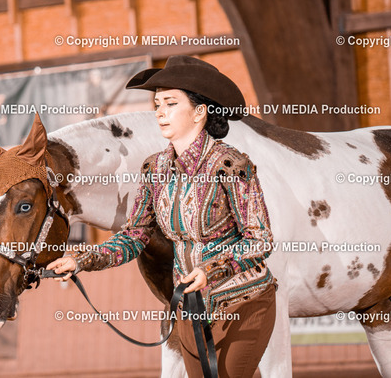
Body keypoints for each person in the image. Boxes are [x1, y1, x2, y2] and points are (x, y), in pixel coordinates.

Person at [47, 55, 277, 378]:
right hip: (190, 308)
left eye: (170, 103)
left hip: (245, 301)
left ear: (199, 112)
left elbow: (260, 240)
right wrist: (82, 260)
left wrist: (211, 270)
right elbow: (134, 236)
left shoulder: (232, 166)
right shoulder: (153, 169)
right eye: (157, 104)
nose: (159, 112)